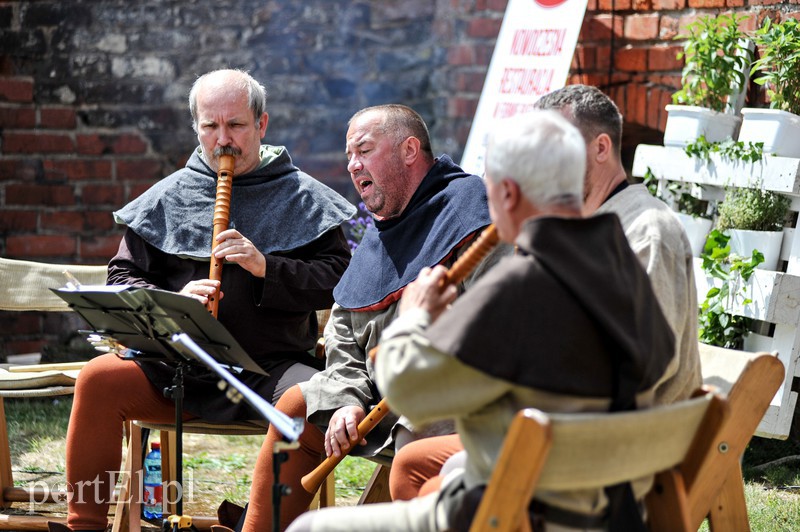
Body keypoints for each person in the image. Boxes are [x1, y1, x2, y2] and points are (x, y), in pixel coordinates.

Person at [287, 109, 676, 531]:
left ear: (507, 194)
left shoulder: (519, 285)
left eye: (487, 187)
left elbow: (410, 389)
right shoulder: (615, 259)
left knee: (314, 528)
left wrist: (416, 318)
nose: (479, 199)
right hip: (597, 480)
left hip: (543, 492)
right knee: (418, 467)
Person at [53, 69, 355, 532]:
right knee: (97, 379)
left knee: (309, 400)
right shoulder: (171, 193)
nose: (223, 140)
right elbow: (122, 275)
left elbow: (340, 280)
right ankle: (83, 526)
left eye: (235, 125)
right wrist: (173, 299)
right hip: (180, 368)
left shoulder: (303, 197)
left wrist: (266, 268)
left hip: (269, 367)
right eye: (210, 127)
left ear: (262, 125)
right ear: (197, 128)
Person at [391, 84, 704, 501]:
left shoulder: (645, 229)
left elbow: (647, 366)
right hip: (562, 425)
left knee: (439, 484)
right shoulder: (578, 232)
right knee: (413, 464)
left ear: (601, 147)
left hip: (612, 444)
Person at [237, 104, 506, 531]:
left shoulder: (472, 212)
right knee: (299, 405)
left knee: (421, 434)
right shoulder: (382, 231)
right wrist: (346, 398)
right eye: (349, 156)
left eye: (364, 150)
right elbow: (343, 337)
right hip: (374, 402)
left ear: (409, 150)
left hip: (452, 400)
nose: (352, 165)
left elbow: (496, 330)